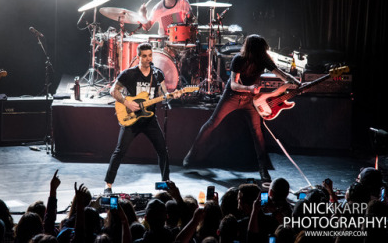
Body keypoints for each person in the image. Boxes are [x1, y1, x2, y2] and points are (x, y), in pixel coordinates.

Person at [183, 34, 301, 181]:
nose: (263, 53)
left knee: (257, 133)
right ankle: (191, 156)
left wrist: (295, 81)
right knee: (212, 123)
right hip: (232, 96)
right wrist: (250, 88)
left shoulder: (264, 59)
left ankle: (263, 170)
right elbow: (233, 84)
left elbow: (281, 74)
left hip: (250, 101)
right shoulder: (239, 59)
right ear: (254, 49)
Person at [104, 42, 179, 194]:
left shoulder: (157, 74)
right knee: (120, 151)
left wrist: (172, 96)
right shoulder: (129, 74)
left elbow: (163, 96)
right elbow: (113, 90)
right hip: (132, 118)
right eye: (144, 56)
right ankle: (108, 185)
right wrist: (127, 103)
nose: (147, 59)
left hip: (149, 119)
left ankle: (165, 184)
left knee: (162, 151)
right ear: (138, 57)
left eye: (150, 55)